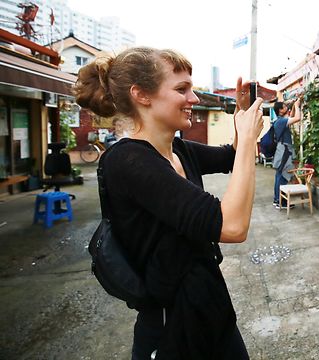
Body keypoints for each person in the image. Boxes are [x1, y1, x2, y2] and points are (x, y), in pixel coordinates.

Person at [73, 46, 263, 359]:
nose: (195, 99)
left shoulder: (178, 149)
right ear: (142, 95)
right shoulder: (127, 161)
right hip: (171, 327)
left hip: (211, 306)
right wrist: (248, 141)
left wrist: (241, 121)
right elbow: (231, 225)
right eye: (181, 89)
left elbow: (232, 156)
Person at [272, 99, 301, 209]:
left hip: (282, 150)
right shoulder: (281, 121)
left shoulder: (280, 121)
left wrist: (293, 105)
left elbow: (292, 116)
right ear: (280, 110)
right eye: (284, 106)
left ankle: (277, 200)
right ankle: (281, 202)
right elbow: (297, 118)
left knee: (279, 175)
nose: (286, 108)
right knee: (283, 176)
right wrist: (297, 105)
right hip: (284, 151)